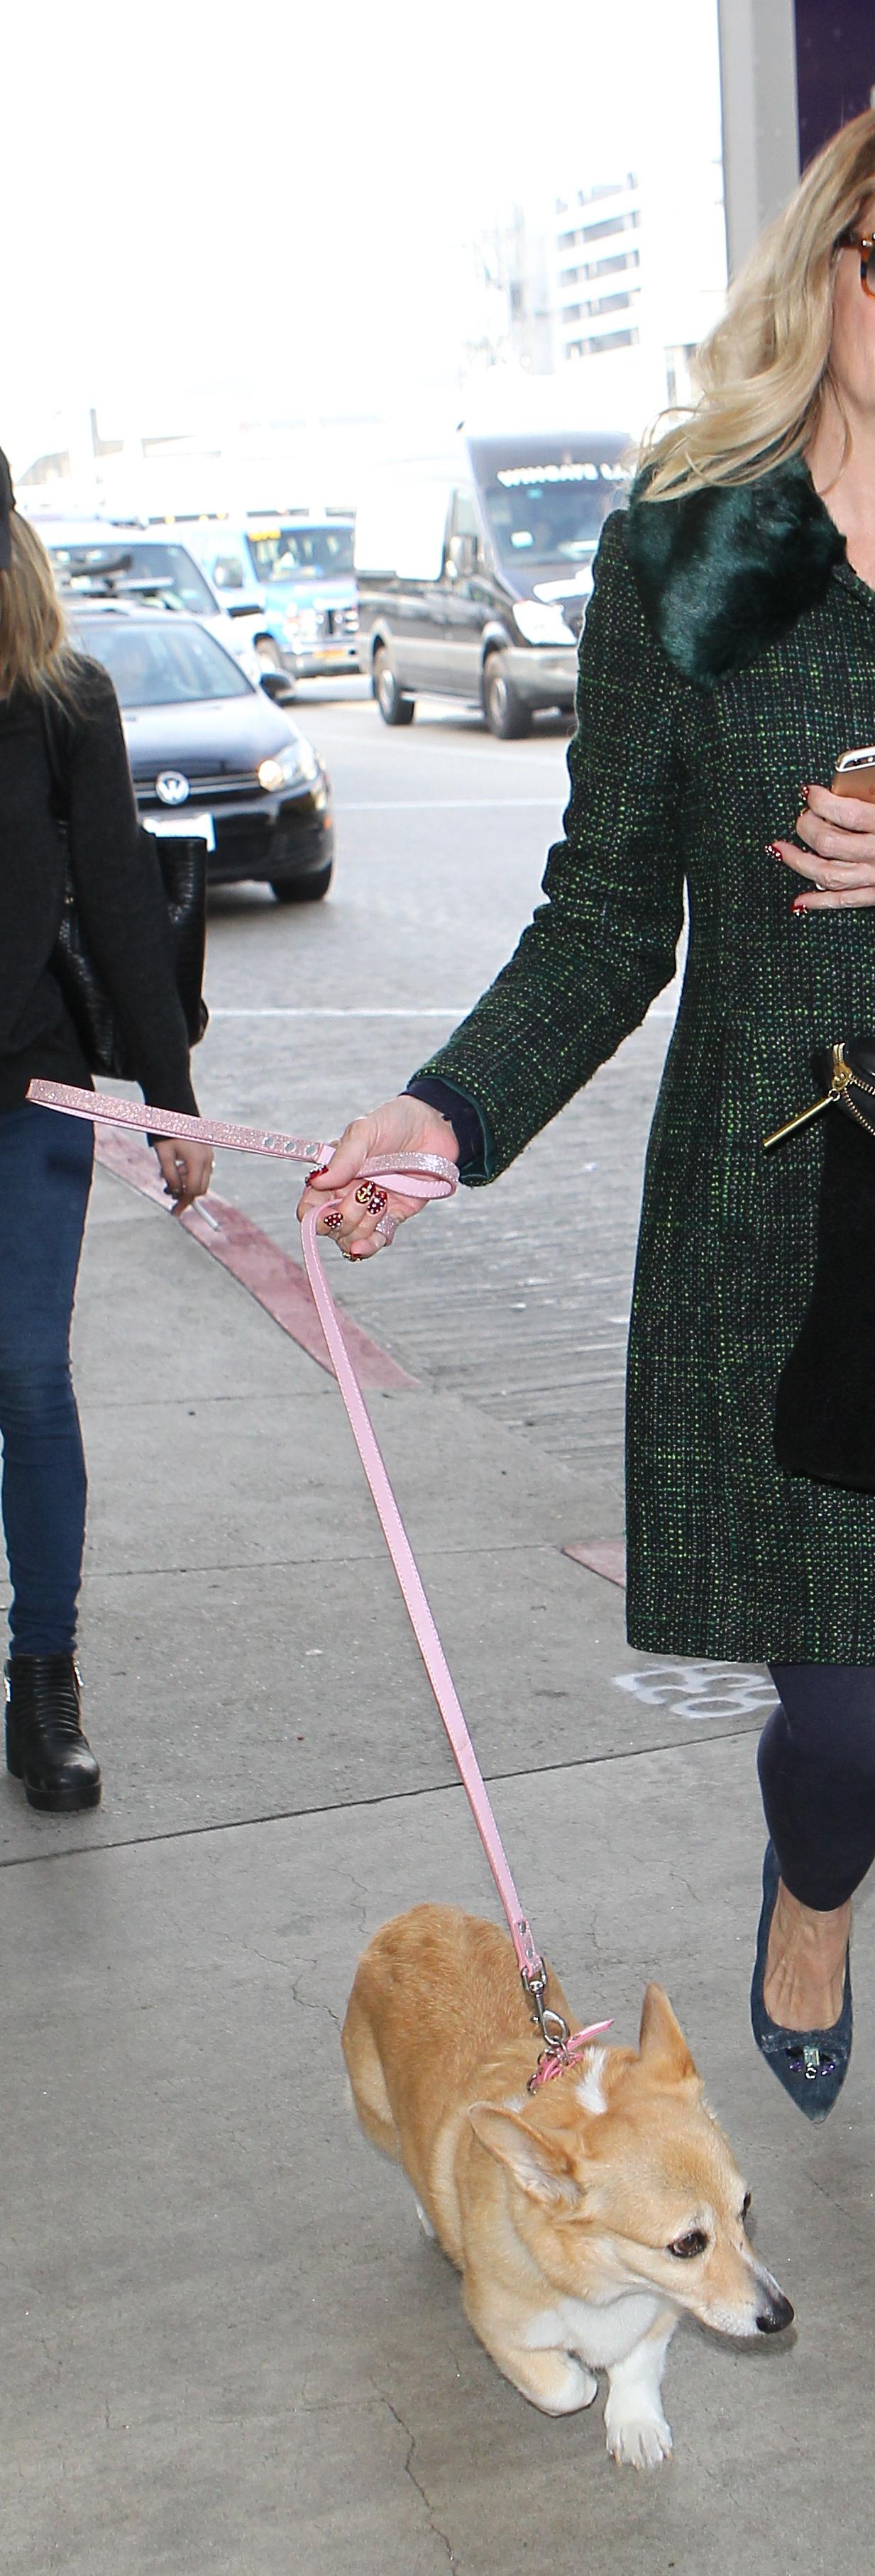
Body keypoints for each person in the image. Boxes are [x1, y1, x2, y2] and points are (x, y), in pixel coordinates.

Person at [302, 96, 875, 2375]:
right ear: (827, 272)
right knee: (871, 1719)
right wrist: (444, 1112)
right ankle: (806, 1888)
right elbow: (611, 906)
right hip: (791, 1230)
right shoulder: (682, 561)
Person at [0, 460, 212, 1811]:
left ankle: (44, 1680)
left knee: (26, 1378)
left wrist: (172, 1100)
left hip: (31, 1092)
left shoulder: (65, 702)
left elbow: (124, 900)